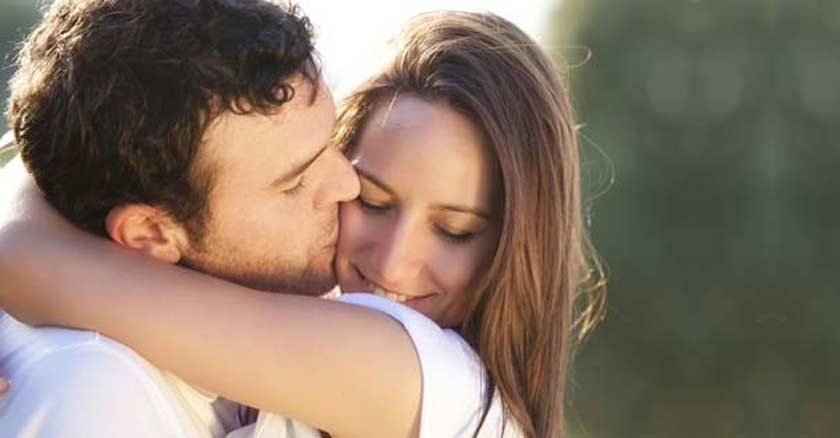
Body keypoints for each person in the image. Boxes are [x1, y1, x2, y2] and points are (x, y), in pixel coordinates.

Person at [0, 10, 606, 438]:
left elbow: (30, 259)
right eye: (371, 198)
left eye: (454, 231)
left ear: (517, 245)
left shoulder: (447, 392)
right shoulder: (116, 371)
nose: (393, 265)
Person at [0, 0, 360, 436]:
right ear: (150, 233)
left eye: (332, 141)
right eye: (294, 183)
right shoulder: (95, 397)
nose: (349, 185)